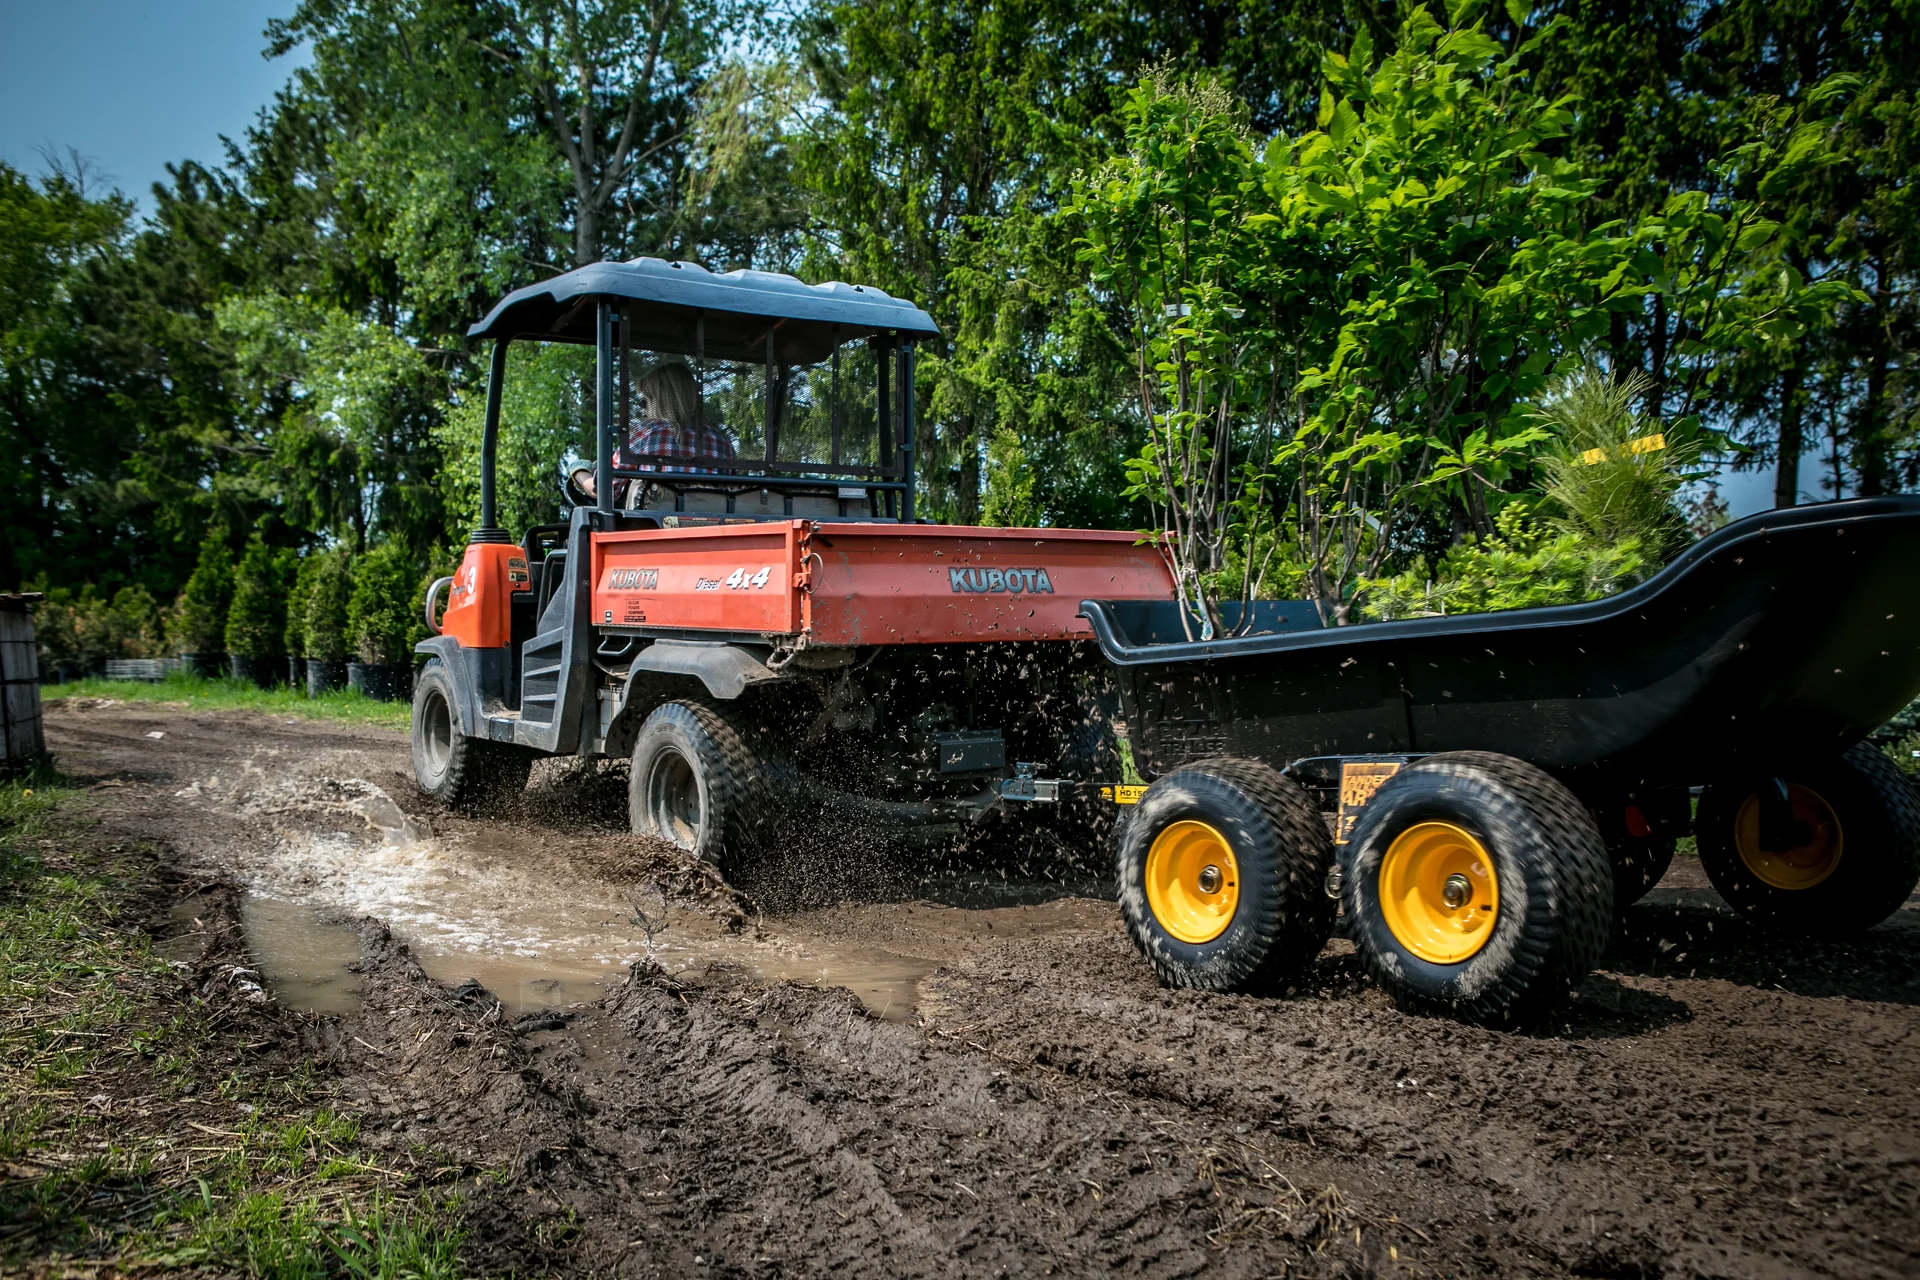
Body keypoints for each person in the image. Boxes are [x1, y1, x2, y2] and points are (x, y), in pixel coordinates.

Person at [569, 361, 736, 507]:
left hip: (654, 526)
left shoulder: (645, 433)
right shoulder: (723, 442)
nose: (643, 411)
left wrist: (579, 472)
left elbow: (605, 490)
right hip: (712, 526)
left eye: (644, 402)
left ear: (658, 401)